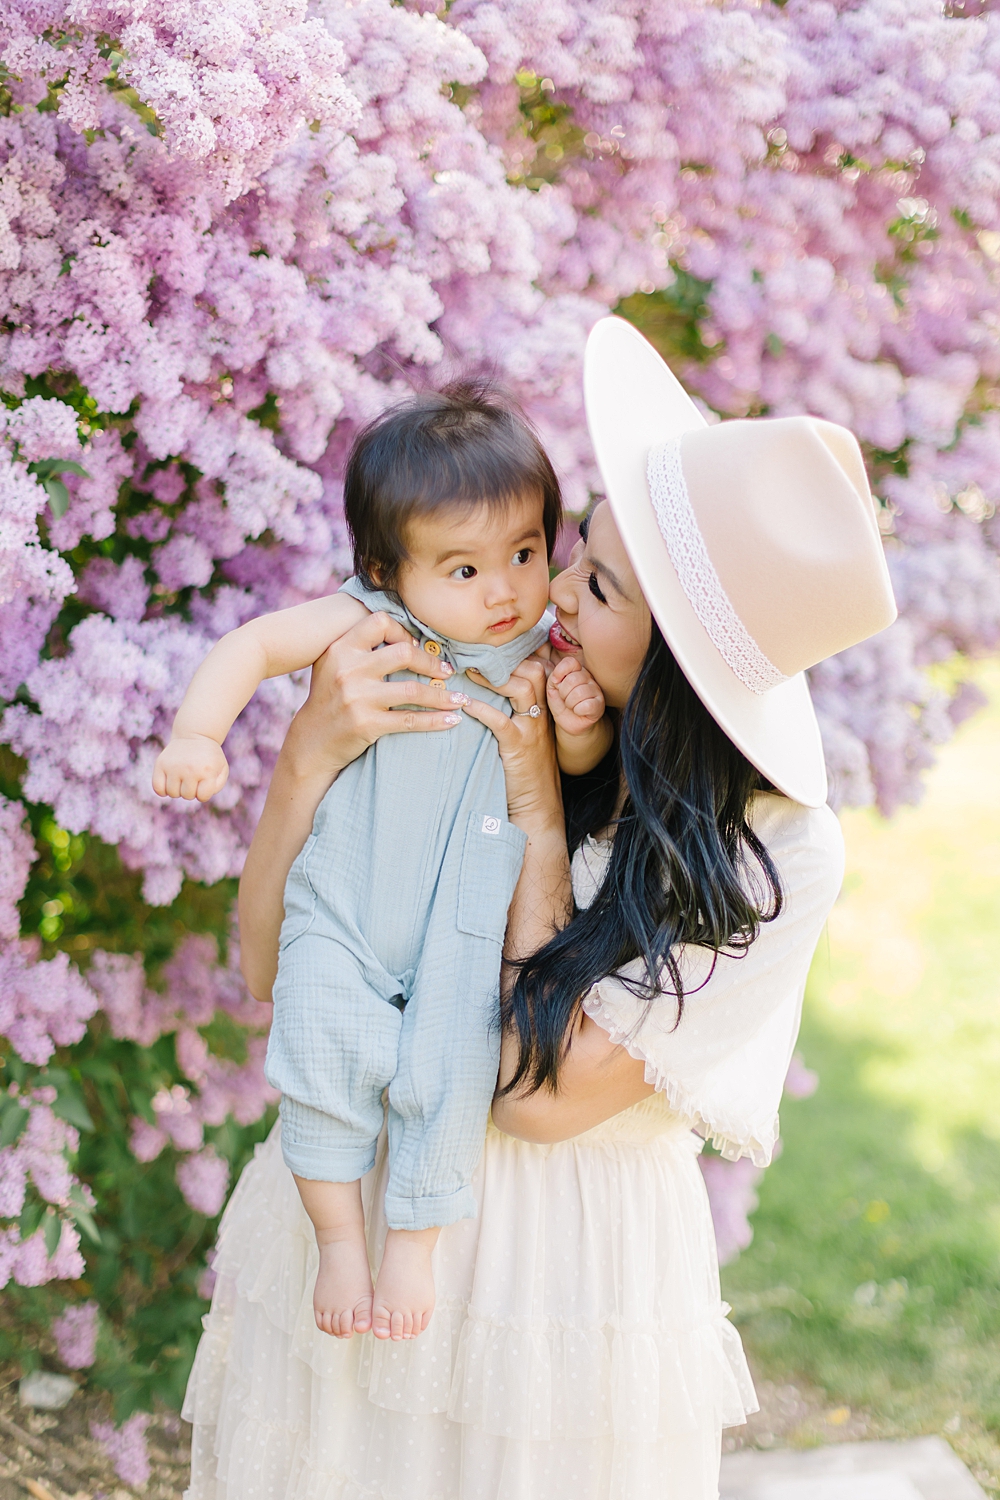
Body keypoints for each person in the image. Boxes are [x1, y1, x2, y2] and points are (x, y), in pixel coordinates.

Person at [183, 317, 897, 1500]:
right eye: (577, 550)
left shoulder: (771, 853)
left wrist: (539, 815)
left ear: (674, 658)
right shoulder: (480, 689)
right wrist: (307, 757)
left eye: (594, 584)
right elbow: (270, 968)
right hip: (354, 1219)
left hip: (558, 1294)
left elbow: (539, 1098)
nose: (546, 588)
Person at [153, 386, 609, 1342]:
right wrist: (198, 732)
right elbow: (253, 644)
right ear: (385, 569)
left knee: (452, 1065)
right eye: (464, 568)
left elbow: (567, 773)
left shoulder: (538, 649)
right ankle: (339, 1244)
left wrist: (577, 728)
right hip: (347, 903)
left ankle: (414, 1245)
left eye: (525, 553)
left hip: (462, 920)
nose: (503, 591)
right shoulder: (369, 621)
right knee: (320, 1045)